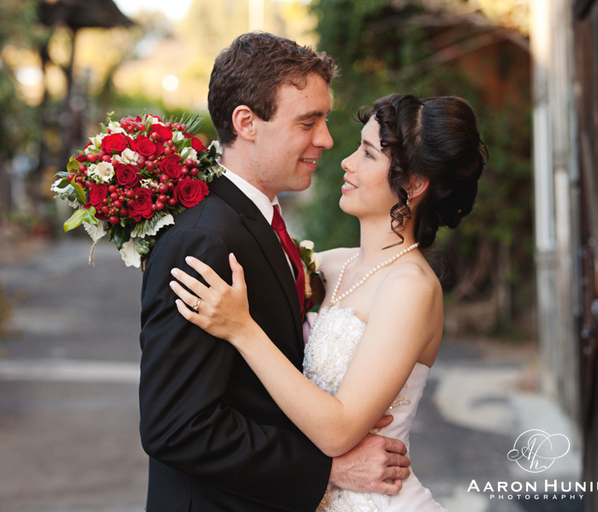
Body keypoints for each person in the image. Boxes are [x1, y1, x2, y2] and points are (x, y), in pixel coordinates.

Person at [169, 93, 488, 511]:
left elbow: (338, 431)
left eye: (369, 154)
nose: (347, 162)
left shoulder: (411, 286)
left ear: (412, 184)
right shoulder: (329, 266)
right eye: (358, 146)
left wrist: (242, 330)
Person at [139, 33, 413, 512]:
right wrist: (327, 469)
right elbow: (176, 427)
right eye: (309, 122)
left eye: (324, 120)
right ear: (246, 123)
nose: (327, 139)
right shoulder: (205, 239)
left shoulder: (259, 222)